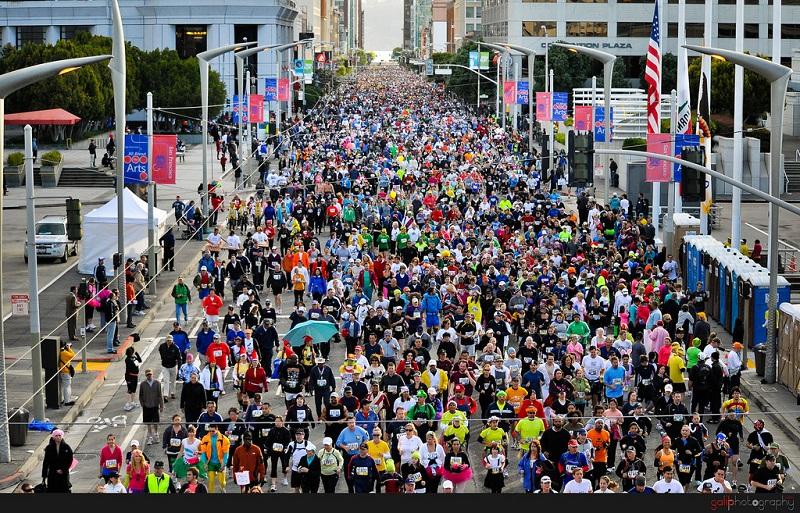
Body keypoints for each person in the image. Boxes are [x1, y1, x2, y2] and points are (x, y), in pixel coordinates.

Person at [199, 423, 231, 493]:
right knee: (211, 481)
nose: (211, 433)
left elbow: (226, 453)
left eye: (213, 431)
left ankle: (222, 488)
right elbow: (203, 453)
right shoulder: (205, 438)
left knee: (222, 482)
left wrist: (224, 464)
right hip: (210, 463)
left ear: (217, 429)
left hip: (220, 463)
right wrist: (205, 463)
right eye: (209, 431)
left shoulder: (224, 439)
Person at [138, 368, 164, 445]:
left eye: (150, 374)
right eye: (147, 375)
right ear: (146, 375)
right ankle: (149, 437)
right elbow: (140, 395)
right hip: (146, 407)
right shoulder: (143, 384)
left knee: (155, 422)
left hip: (155, 406)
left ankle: (156, 435)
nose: (149, 376)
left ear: (152, 374)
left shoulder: (157, 383)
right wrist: (143, 404)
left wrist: (161, 406)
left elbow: (160, 395)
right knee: (148, 423)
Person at [58, 341, 75, 406]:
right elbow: (72, 355)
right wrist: (69, 348)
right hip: (65, 372)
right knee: (67, 387)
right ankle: (67, 401)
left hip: (61, 371)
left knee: (62, 386)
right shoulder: (64, 353)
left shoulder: (59, 351)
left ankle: (62, 399)